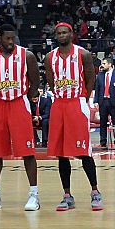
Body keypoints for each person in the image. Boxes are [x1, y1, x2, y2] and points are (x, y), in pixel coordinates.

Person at [0, 25, 41, 212]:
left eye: (12, 38)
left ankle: (34, 194)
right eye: (7, 38)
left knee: (27, 151)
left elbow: (35, 81)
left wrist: (27, 97)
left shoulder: (27, 55)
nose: (10, 42)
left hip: (19, 103)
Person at [44, 23, 102, 211]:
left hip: (77, 103)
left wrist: (85, 98)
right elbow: (51, 81)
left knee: (84, 151)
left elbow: (91, 78)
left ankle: (95, 191)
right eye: (59, 33)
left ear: (71, 34)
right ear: (56, 36)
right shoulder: (49, 57)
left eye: (65, 32)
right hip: (59, 104)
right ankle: (67, 195)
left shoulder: (83, 54)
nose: (62, 35)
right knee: (61, 152)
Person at [93, 58, 115, 149]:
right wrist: (95, 101)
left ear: (110, 64)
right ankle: (103, 142)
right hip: (103, 101)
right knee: (103, 123)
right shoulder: (100, 74)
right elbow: (97, 88)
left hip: (113, 102)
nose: (102, 65)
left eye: (104, 63)